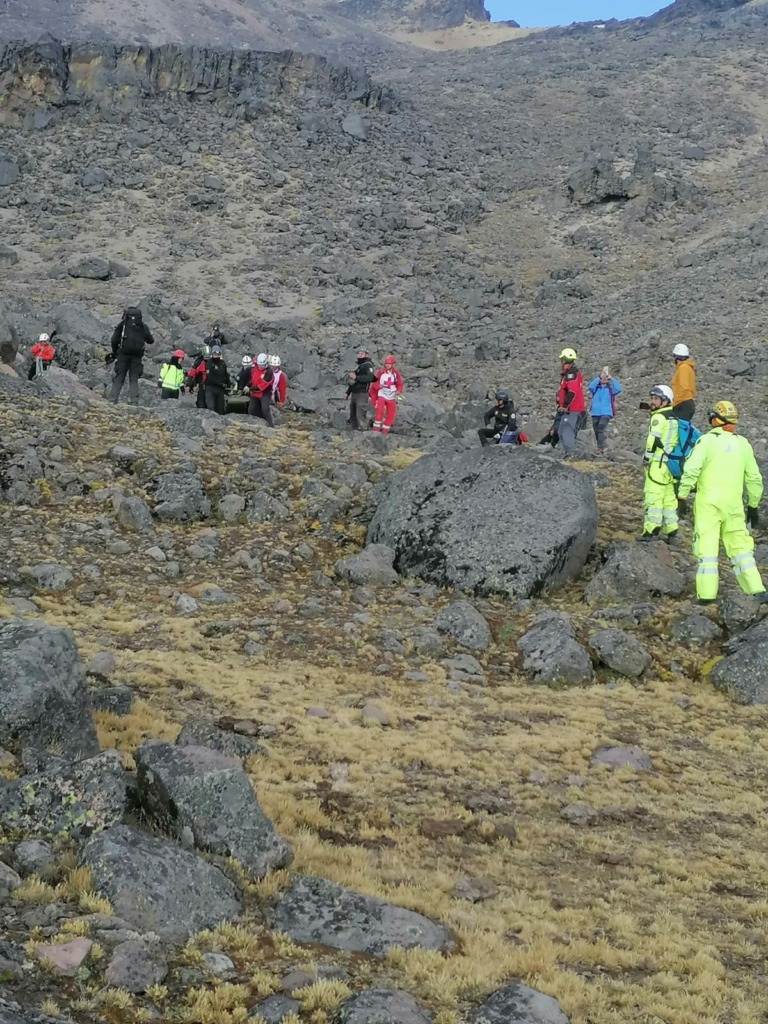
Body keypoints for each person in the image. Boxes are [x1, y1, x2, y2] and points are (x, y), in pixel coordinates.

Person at [677, 401, 768, 606]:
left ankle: (707, 595)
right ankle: (757, 590)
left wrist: (682, 496)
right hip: (734, 505)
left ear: (714, 419)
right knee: (741, 549)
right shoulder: (743, 444)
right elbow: (754, 478)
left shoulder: (706, 441)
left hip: (708, 504)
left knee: (707, 549)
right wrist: (753, 505)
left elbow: (691, 470)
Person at [639, 385, 679, 544]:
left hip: (657, 464)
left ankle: (651, 530)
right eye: (652, 398)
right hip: (669, 465)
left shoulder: (658, 418)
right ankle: (672, 531)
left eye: (656, 399)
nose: (652, 402)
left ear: (665, 401)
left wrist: (647, 458)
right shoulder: (673, 418)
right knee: (669, 499)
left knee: (653, 497)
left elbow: (652, 440)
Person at [108, 307, 155, 406]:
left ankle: (112, 399)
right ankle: (134, 401)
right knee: (133, 379)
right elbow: (151, 340)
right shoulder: (143, 326)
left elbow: (114, 340)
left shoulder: (123, 326)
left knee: (119, 377)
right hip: (137, 356)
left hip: (123, 354)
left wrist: (115, 352)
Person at [555, 348, 586, 458]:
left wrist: (564, 406)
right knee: (560, 431)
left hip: (572, 409)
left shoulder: (571, 375)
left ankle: (570, 455)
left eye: (562, 360)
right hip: (568, 408)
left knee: (567, 431)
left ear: (565, 360)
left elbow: (572, 392)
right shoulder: (567, 374)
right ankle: (567, 453)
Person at [587, 367, 622, 454]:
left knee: (601, 427)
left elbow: (619, 389)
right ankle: (601, 445)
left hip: (606, 412)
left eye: (606, 378)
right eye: (603, 377)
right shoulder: (595, 388)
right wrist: (599, 376)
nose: (604, 379)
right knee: (596, 429)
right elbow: (590, 386)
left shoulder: (610, 389)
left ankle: (600, 448)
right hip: (595, 413)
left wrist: (611, 378)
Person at [370, 354, 403, 435]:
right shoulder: (380, 372)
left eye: (389, 364)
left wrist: (399, 391)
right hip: (382, 394)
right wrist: (378, 386)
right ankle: (376, 429)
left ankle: (385, 430)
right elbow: (374, 383)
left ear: (392, 365)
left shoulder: (395, 374)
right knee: (379, 411)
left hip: (391, 396)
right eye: (386, 364)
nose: (387, 365)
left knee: (390, 413)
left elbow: (399, 383)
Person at [346, 349, 376, 430]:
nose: (359, 355)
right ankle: (354, 431)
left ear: (366, 355)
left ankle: (363, 431)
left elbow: (370, 377)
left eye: (362, 354)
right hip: (354, 393)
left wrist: (356, 377)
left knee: (360, 414)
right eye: (358, 354)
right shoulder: (360, 366)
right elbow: (353, 382)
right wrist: (348, 392)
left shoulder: (368, 365)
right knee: (353, 414)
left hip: (362, 394)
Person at [670, 343, 696, 422]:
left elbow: (683, 388)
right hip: (686, 403)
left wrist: (674, 404)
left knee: (678, 429)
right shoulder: (687, 367)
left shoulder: (683, 368)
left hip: (682, 404)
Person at [246, 352, 274, 423]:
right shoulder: (254, 369)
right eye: (259, 365)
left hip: (264, 393)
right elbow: (253, 380)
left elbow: (261, 387)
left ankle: (270, 425)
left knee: (265, 409)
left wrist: (250, 389)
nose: (260, 366)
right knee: (251, 410)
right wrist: (247, 385)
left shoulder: (269, 372)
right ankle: (256, 423)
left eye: (262, 365)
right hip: (254, 393)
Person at [203, 345, 230, 414]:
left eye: (218, 354)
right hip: (211, 388)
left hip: (220, 390)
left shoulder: (222, 363)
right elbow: (210, 378)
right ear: (212, 354)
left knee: (220, 409)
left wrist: (228, 385)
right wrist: (221, 384)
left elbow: (226, 375)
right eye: (215, 354)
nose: (216, 356)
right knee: (211, 408)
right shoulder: (209, 363)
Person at [187, 344, 211, 409]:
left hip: (211, 385)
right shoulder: (199, 362)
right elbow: (192, 374)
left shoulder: (214, 361)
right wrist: (189, 385)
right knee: (201, 401)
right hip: (202, 384)